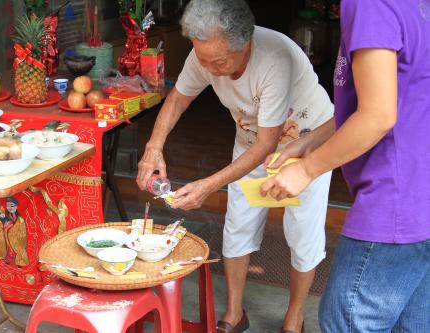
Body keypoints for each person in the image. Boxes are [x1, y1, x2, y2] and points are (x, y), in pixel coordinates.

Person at [136, 0, 334, 332]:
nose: (209, 69)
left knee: (302, 234)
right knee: (238, 225)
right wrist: (153, 147)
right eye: (202, 59)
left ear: (245, 46)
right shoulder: (205, 50)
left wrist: (208, 186)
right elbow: (178, 98)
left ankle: (294, 318)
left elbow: (268, 144)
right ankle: (234, 314)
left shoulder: (274, 59)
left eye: (218, 61)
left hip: (307, 143)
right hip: (251, 143)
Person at [261, 0, 430, 331]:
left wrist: (307, 169)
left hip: (393, 203)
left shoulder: (370, 4)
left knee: (347, 322)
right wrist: (309, 141)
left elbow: (378, 115)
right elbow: (394, 95)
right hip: (421, 198)